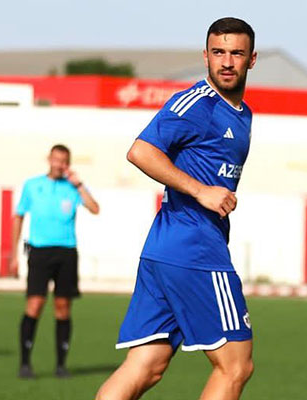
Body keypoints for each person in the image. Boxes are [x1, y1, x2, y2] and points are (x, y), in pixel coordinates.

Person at [96, 17, 257, 400]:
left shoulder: (241, 113)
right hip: (194, 250)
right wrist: (201, 191)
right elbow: (141, 151)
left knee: (146, 365)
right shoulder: (197, 104)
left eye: (236, 53)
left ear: (252, 59)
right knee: (235, 366)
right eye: (218, 52)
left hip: (168, 250)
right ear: (205, 56)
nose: (227, 62)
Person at [11, 144, 100, 379]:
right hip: (39, 251)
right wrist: (13, 254)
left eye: (64, 161)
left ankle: (61, 365)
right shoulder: (32, 185)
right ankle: (25, 363)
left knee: (62, 307)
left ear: (68, 164)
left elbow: (95, 208)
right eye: (56, 159)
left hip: (66, 252)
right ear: (49, 159)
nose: (59, 164)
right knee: (35, 304)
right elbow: (19, 216)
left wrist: (79, 185)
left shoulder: (73, 188)